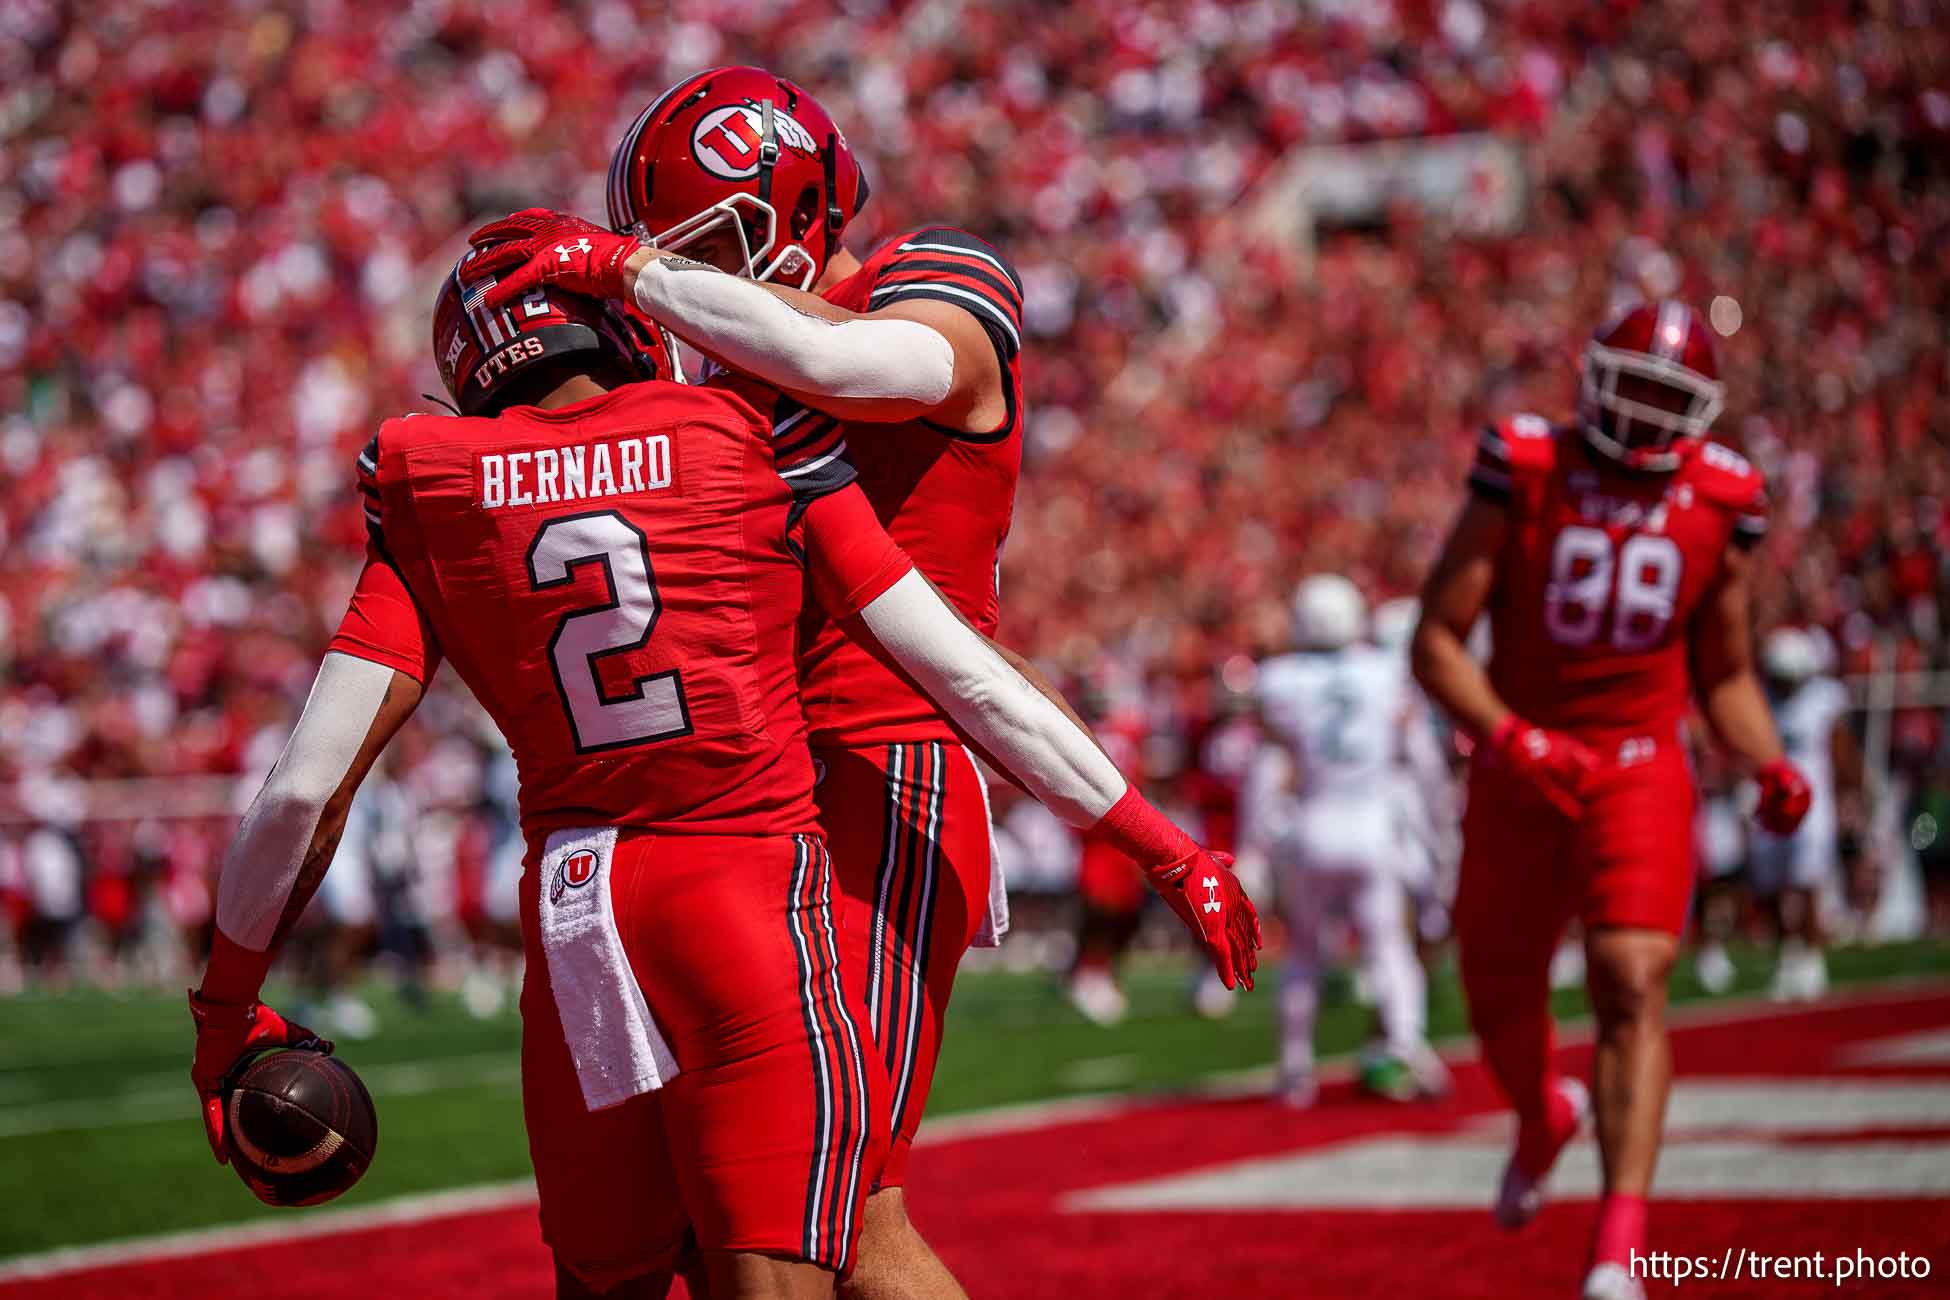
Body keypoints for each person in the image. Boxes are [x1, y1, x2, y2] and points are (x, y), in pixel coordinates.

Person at [187, 241, 1258, 1300]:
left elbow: (298, 791)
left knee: (607, 1280)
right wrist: (1162, 849)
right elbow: (959, 672)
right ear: (629, 328)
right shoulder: (747, 428)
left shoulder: (429, 478)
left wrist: (226, 1013)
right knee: (792, 1272)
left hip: (576, 923)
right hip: (746, 897)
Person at [472, 65, 1044, 1300]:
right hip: (742, 799)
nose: (700, 283)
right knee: (696, 1218)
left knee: (836, 1219)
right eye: (669, 255)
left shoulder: (935, 274)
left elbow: (879, 369)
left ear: (800, 199)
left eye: (715, 246)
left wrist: (630, 275)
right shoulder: (714, 382)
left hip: (882, 769)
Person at [1410, 300, 1811, 1300]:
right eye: (1627, 390)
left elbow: (1722, 671)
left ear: (1702, 412)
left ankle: (1616, 1249)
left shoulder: (1724, 495)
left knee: (1632, 977)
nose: (1637, 420)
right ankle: (1545, 1116)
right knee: (1497, 995)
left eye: (1663, 401)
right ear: (1590, 379)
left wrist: (1767, 759)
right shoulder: (1528, 463)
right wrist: (1508, 733)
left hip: (1638, 760)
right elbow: (1437, 634)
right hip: (1522, 755)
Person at [1254, 575, 1446, 1105]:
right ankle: (1405, 1048)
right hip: (1372, 824)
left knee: (1304, 954)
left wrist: (1256, 845)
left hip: (1313, 823)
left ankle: (1295, 1069)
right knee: (1388, 948)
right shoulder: (1385, 672)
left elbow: (1270, 767)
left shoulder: (1278, 680)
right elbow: (1420, 761)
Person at [1750, 626, 1858, 1000]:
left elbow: (1842, 752)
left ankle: (1812, 958)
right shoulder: (1761, 699)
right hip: (1770, 800)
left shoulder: (1823, 699)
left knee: (1808, 881)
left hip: (1813, 804)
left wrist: (1851, 794)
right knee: (1773, 883)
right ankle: (1788, 956)